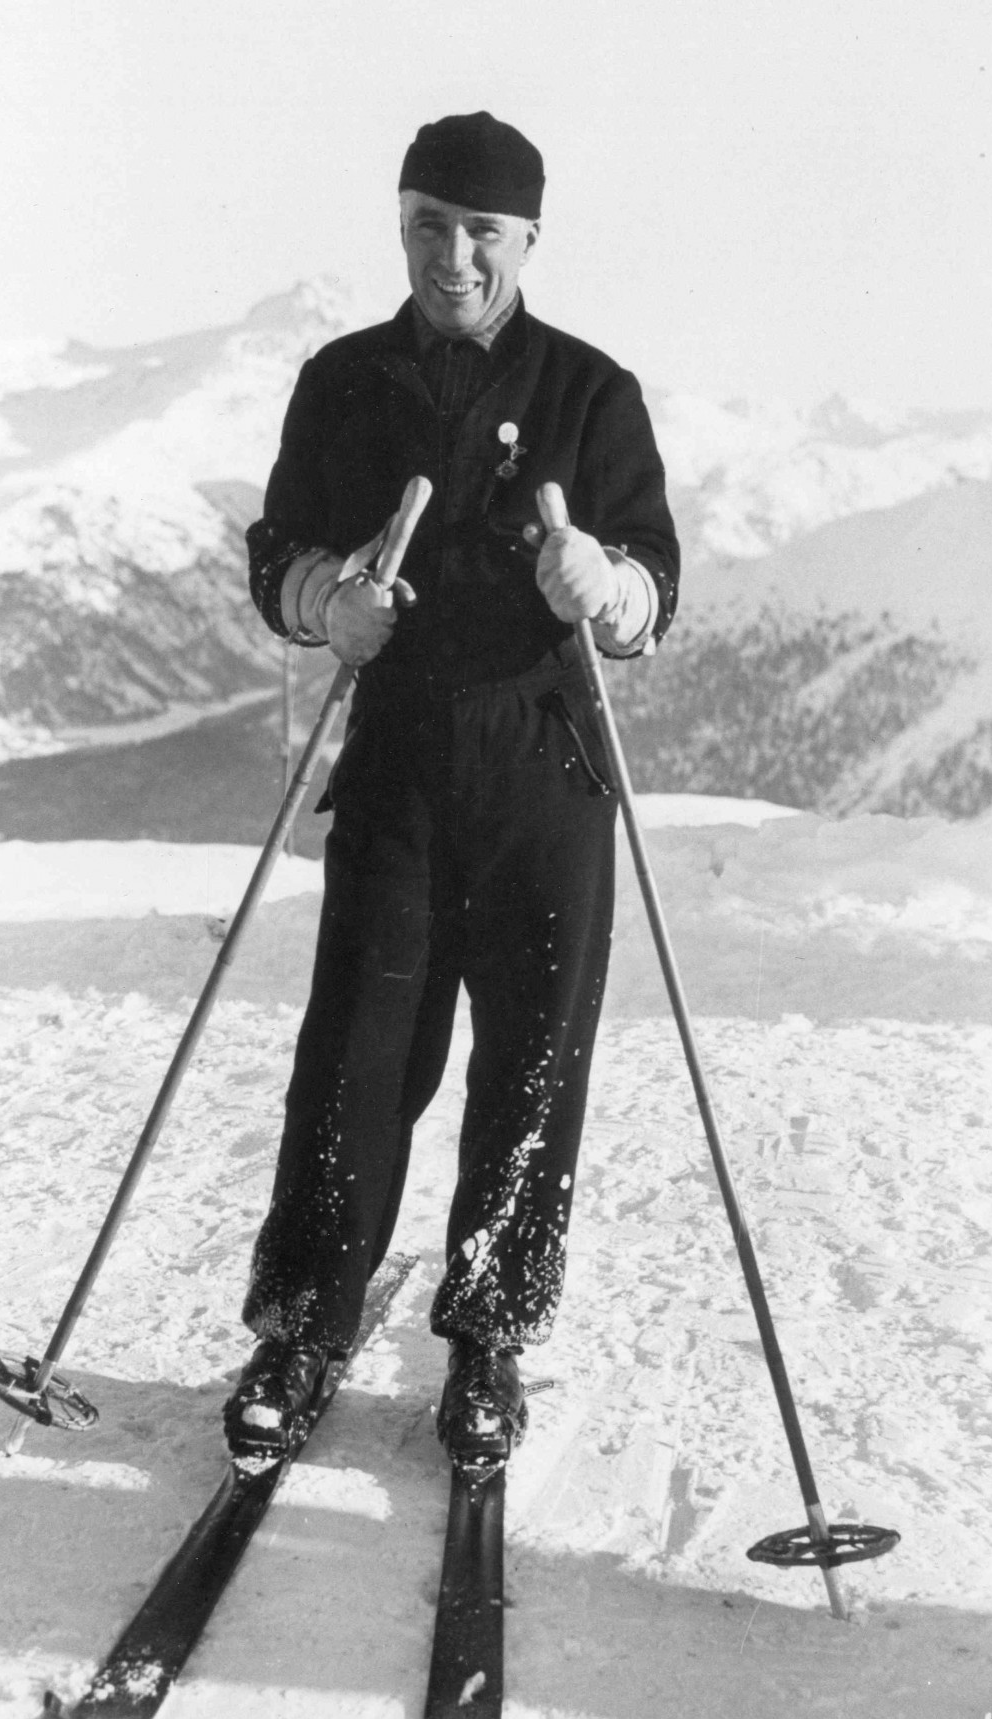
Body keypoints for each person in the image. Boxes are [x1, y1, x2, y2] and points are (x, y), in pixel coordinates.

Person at [225, 111, 679, 1472]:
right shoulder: (343, 380)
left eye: (483, 231)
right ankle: (305, 1324)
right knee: (357, 1055)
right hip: (403, 761)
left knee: (532, 1063)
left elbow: (653, 583)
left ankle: (487, 1336)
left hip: (546, 764)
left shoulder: (591, 393)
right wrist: (325, 601)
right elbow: (277, 551)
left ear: (528, 239)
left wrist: (605, 588)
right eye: (430, 224)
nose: (454, 256)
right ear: (403, 226)